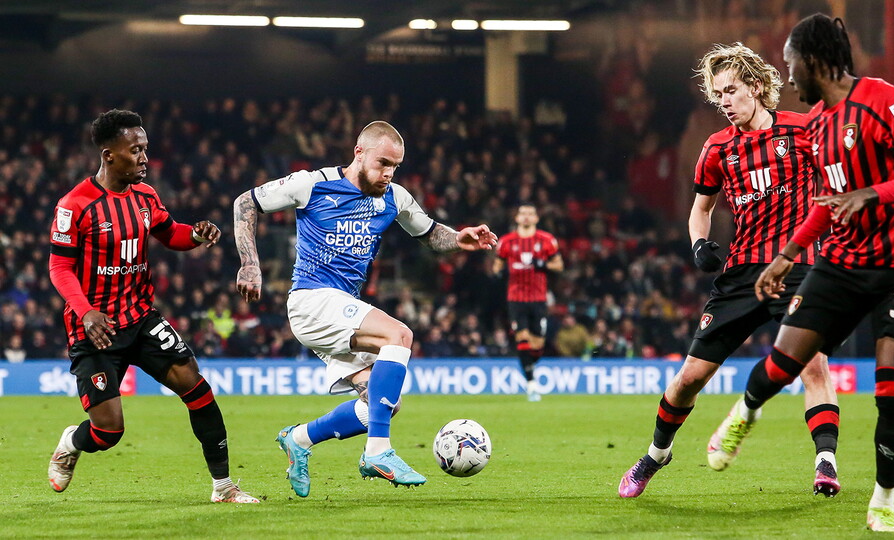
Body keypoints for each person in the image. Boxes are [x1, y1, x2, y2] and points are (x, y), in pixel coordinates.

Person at [713, 15, 894, 532]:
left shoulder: (884, 99)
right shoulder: (816, 124)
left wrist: (871, 194)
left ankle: (883, 501)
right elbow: (824, 205)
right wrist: (787, 254)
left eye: (791, 65)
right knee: (784, 361)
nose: (787, 78)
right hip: (840, 264)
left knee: (892, 391)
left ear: (814, 62)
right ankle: (744, 414)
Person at [618, 43, 840, 498]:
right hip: (740, 275)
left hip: (796, 269)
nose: (724, 101)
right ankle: (656, 455)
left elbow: (838, 179)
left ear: (757, 87)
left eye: (731, 90)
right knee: (690, 379)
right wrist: (699, 243)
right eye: (718, 93)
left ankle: (826, 465)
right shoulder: (717, 147)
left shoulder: (803, 131)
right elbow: (701, 209)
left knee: (812, 364)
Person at [233, 120, 497, 496]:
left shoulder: (395, 198)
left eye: (395, 166)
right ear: (359, 152)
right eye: (383, 163)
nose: (388, 173)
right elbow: (246, 201)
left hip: (342, 308)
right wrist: (250, 263)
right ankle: (378, 451)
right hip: (312, 299)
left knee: (383, 404)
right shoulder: (312, 184)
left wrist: (459, 238)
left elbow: (429, 233)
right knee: (400, 334)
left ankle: (299, 439)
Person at [46, 109, 258, 504]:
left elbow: (170, 233)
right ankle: (71, 443)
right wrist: (86, 311)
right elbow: (59, 267)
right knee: (108, 433)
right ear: (109, 155)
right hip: (97, 328)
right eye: (136, 150)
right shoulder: (75, 205)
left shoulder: (146, 196)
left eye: (145, 149)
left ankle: (224, 487)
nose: (145, 158)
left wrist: (194, 234)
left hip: (141, 318)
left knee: (198, 390)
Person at [492, 204, 563, 401]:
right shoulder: (506, 242)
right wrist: (499, 273)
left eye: (530, 214)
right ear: (517, 218)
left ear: (536, 218)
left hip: (539, 299)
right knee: (522, 338)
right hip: (516, 299)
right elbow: (496, 266)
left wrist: (544, 264)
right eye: (522, 213)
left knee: (537, 346)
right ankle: (531, 384)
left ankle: (529, 366)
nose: (526, 217)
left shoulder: (546, 240)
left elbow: (559, 265)